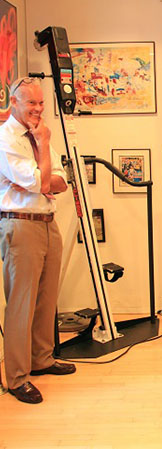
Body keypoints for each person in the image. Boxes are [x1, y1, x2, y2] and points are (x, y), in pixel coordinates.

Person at [0, 77, 76, 404]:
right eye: (31, 103)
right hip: (21, 225)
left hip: (47, 222)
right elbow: (40, 180)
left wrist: (43, 179)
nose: (38, 109)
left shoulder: (36, 135)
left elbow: (61, 179)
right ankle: (17, 377)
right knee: (21, 304)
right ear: (13, 103)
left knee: (46, 299)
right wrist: (44, 150)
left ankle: (41, 359)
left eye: (41, 103)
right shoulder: (7, 139)